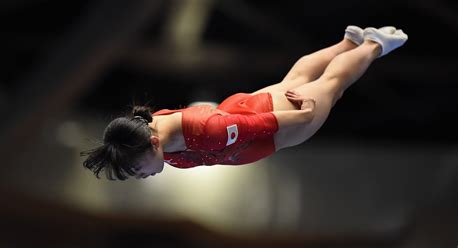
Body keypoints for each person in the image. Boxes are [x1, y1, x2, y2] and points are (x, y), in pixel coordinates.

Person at [81, 25, 408, 180]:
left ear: (152, 143)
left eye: (137, 169)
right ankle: (345, 42)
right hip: (239, 116)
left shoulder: (205, 131)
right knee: (294, 80)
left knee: (332, 86)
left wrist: (301, 117)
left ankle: (372, 45)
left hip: (271, 126)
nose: (141, 176)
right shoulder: (151, 127)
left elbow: (256, 126)